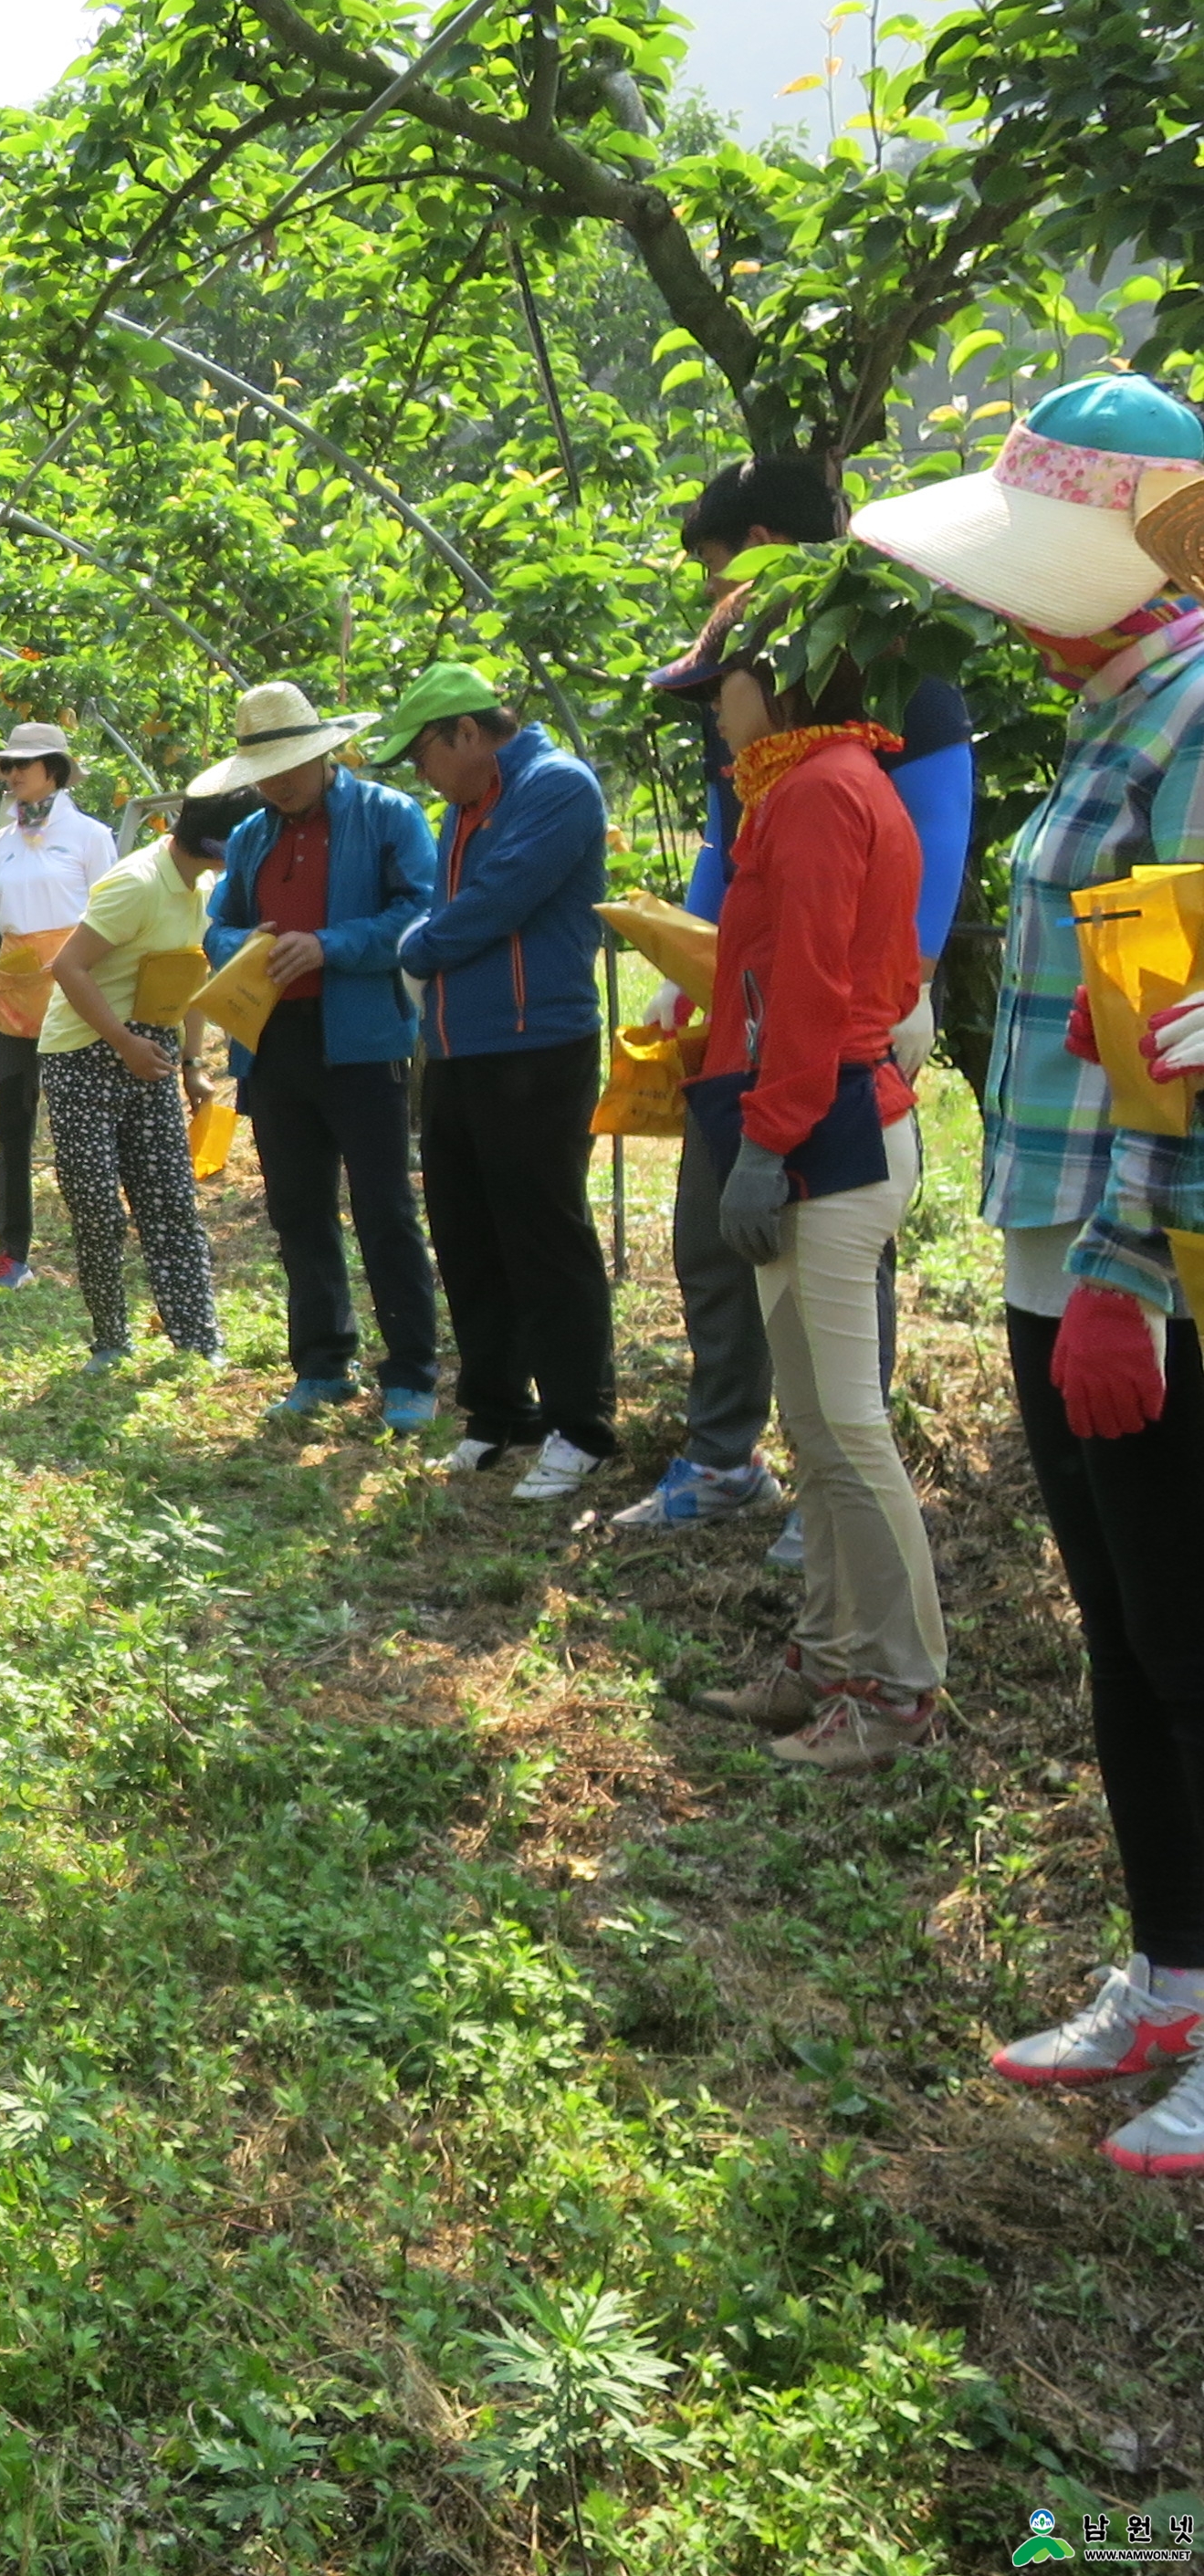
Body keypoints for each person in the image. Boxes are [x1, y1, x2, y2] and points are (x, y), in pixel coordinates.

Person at [856, 375, 1204, 2173]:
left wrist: (1125, 1268)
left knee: (1188, 1632)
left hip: (1139, 1267)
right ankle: (1165, 1973)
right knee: (1128, 1640)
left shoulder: (1197, 717)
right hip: (1051, 1249)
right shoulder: (1104, 711)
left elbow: (1196, 1025)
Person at [615, 458, 979, 1557]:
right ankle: (728, 1454)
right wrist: (690, 973)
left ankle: (835, 1485)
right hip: (755, 1010)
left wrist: (895, 990)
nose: (714, 593)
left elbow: (914, 850)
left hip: (851, 1013)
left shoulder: (885, 679)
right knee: (716, 1227)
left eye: (723, 565)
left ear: (765, 542)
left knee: (829, 1235)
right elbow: (734, 853)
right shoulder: (744, 692)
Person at [660, 618, 949, 1773]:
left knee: (850, 1428)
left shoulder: (825, 790)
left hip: (832, 1135)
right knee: (819, 1429)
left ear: (769, 683)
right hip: (802, 1129)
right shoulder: (796, 789)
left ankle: (900, 1691)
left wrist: (769, 1142)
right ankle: (830, 1656)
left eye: (716, 689)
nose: (709, 712)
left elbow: (821, 986)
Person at [386, 664, 620, 1500]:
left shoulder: (556, 788)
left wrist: (413, 947)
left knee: (543, 1234)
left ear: (468, 733)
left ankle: (580, 1424)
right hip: (457, 1048)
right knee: (469, 1232)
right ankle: (499, 1412)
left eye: (423, 756)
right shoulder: (464, 807)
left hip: (535, 1046)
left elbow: (495, 902)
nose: (422, 776)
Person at [191, 685, 441, 1427]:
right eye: (263, 772)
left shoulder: (386, 816)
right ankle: (323, 1363)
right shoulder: (251, 837)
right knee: (297, 1208)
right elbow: (217, 930)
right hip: (273, 1045)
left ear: (323, 753)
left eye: (288, 766)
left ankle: (412, 1373)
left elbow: (419, 913)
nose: (277, 783)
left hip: (360, 1039)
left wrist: (329, 946)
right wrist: (251, 945)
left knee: (384, 1208)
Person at [39, 792, 253, 1372]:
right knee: (96, 1204)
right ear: (217, 844)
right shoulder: (137, 883)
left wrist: (191, 1064)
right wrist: (123, 1043)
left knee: (170, 1200)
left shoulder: (205, 889)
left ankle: (197, 1339)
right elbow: (67, 967)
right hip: (84, 1052)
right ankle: (111, 1339)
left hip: (151, 1052)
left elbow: (188, 978)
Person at [0, 724, 116, 1288]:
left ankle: (101, 1244)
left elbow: (108, 921)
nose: (12, 774)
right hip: (16, 991)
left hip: (76, 989)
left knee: (81, 1119)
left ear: (55, 768)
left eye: (24, 764)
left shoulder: (91, 837)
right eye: (7, 766)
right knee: (15, 1117)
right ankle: (12, 1252)